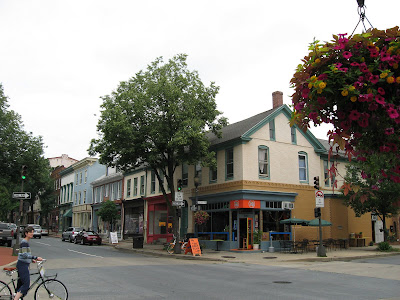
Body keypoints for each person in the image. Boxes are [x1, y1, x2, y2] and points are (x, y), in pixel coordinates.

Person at [14, 226, 43, 300]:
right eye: (30, 232)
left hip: (23, 264)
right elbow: (24, 254)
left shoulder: (26, 242)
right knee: (26, 284)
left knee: (21, 285)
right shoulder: (24, 242)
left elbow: (24, 255)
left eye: (33, 232)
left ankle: (17, 297)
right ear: (26, 233)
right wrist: (35, 257)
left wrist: (31, 260)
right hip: (22, 265)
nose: (32, 234)